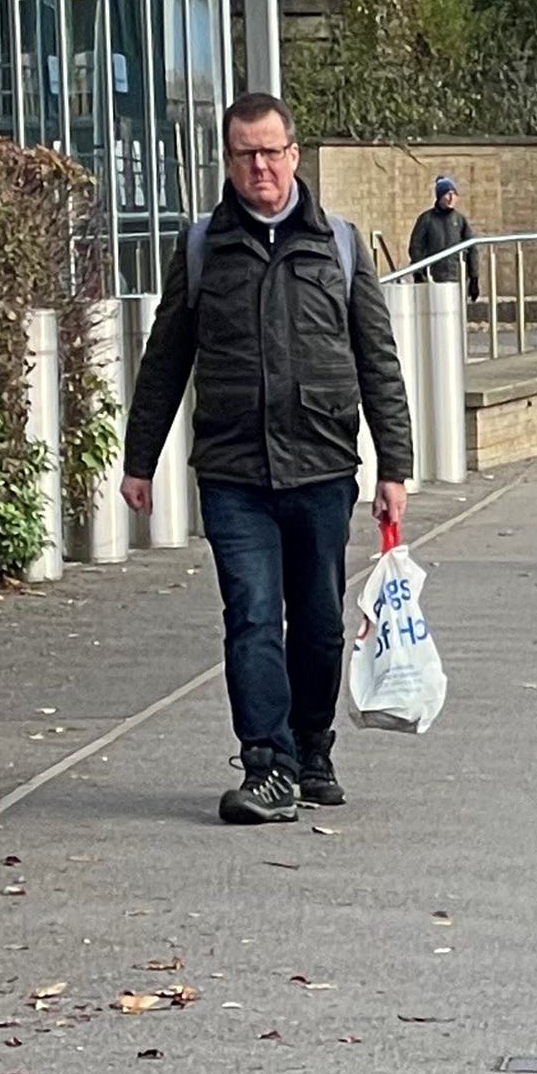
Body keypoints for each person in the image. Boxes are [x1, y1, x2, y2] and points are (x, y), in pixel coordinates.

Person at [122, 94, 412, 827]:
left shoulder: (339, 245)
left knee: (316, 621)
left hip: (321, 466)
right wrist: (139, 459)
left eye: (271, 151)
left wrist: (394, 468)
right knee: (252, 616)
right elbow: (164, 363)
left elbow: (379, 364)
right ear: (228, 161)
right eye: (244, 153)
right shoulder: (200, 248)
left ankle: (312, 747)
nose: (259, 166)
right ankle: (268, 764)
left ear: (294, 155)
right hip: (233, 471)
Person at [408, 173, 477, 296]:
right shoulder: (426, 219)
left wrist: (474, 277)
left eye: (453, 194)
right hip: (434, 278)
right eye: (447, 194)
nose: (451, 198)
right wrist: (418, 272)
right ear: (439, 197)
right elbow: (416, 246)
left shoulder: (460, 220)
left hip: (457, 277)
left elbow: (472, 249)